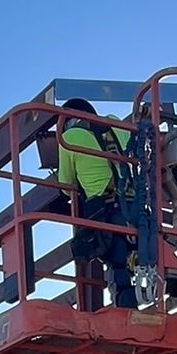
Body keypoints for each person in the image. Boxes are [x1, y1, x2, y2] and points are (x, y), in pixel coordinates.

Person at [56, 97, 135, 309]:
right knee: (141, 261)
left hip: (104, 211)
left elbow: (65, 185)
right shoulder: (115, 124)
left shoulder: (69, 136)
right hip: (134, 207)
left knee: (118, 267)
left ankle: (126, 315)